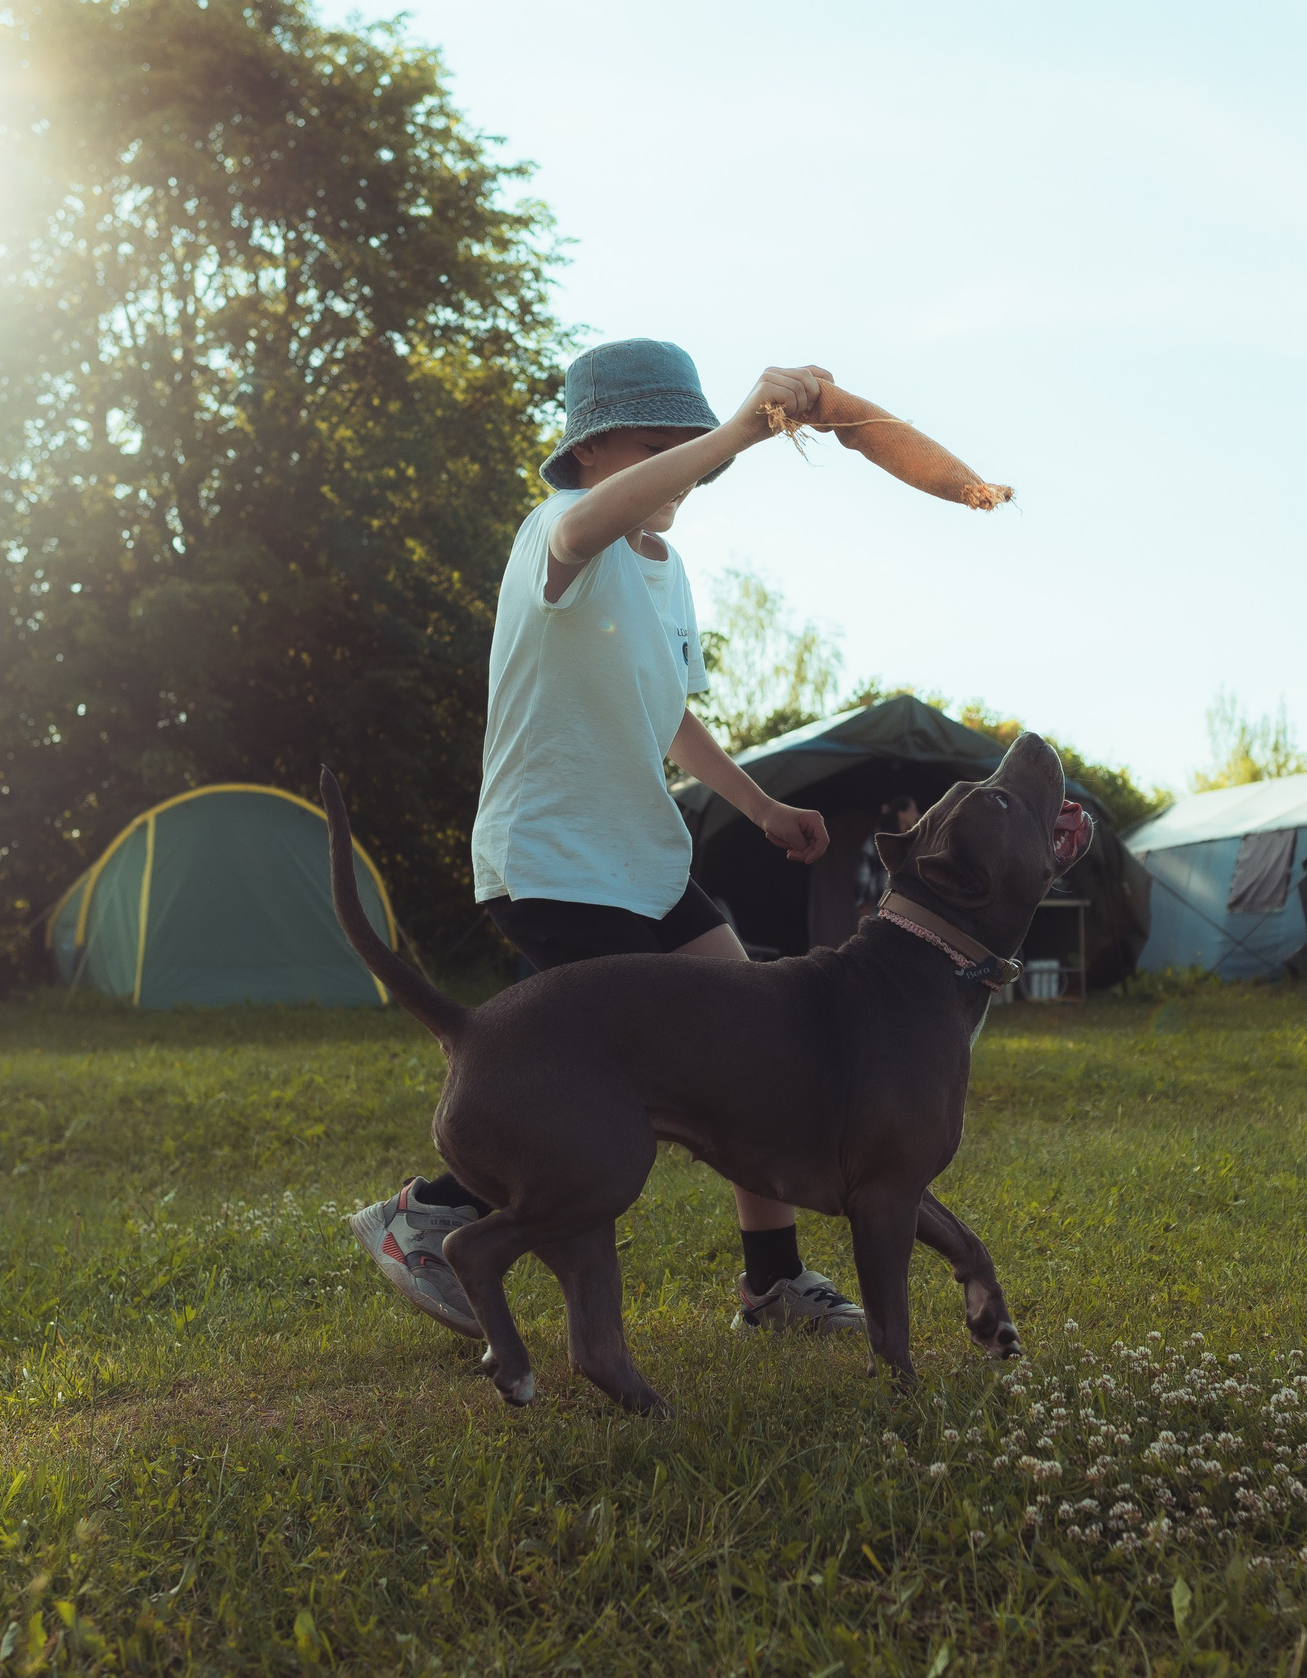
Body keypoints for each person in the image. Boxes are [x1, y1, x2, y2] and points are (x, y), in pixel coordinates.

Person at [349, 338, 869, 1338]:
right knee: (605, 1086)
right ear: (589, 451)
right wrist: (736, 434)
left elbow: (669, 713)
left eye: (689, 440)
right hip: (552, 859)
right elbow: (593, 521)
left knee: (760, 1045)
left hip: (643, 859)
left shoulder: (667, 574)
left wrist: (758, 806)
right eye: (651, 443)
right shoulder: (560, 529)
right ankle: (426, 1215)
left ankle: (772, 1284)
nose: (683, 461)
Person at [855, 794, 920, 924]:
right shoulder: (878, 838)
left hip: (905, 910)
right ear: (901, 814)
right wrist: (861, 903)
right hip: (879, 906)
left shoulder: (910, 841)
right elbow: (864, 871)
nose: (917, 815)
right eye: (913, 811)